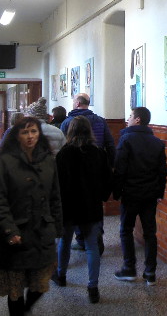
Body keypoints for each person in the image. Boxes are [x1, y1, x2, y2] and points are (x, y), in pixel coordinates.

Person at [0, 116, 63, 316]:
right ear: (17, 136)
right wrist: (9, 230)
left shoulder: (48, 160)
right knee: (15, 290)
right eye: (25, 132)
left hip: (42, 232)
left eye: (34, 131)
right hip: (16, 234)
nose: (30, 136)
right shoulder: (6, 161)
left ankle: (25, 310)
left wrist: (57, 227)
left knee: (40, 284)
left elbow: (55, 197)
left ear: (40, 133)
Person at [52, 116, 112, 303]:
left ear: (70, 131)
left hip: (68, 205)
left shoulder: (63, 154)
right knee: (92, 246)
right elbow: (107, 180)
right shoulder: (98, 153)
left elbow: (57, 183)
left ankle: (61, 276)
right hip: (90, 206)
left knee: (64, 242)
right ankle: (93, 287)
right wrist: (101, 197)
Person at [113, 106, 167, 286]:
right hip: (150, 194)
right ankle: (150, 272)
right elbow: (163, 172)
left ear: (137, 120)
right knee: (150, 232)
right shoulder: (157, 143)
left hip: (130, 193)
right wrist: (160, 192)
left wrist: (117, 191)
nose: (127, 119)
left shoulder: (126, 139)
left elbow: (120, 169)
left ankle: (129, 268)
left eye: (130, 116)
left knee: (126, 230)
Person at [60, 93, 116, 251]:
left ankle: (82, 239)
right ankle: (97, 234)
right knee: (95, 204)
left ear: (77, 103)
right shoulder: (100, 121)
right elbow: (110, 144)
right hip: (97, 168)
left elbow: (64, 146)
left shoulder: (68, 122)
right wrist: (111, 165)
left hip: (75, 171)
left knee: (77, 206)